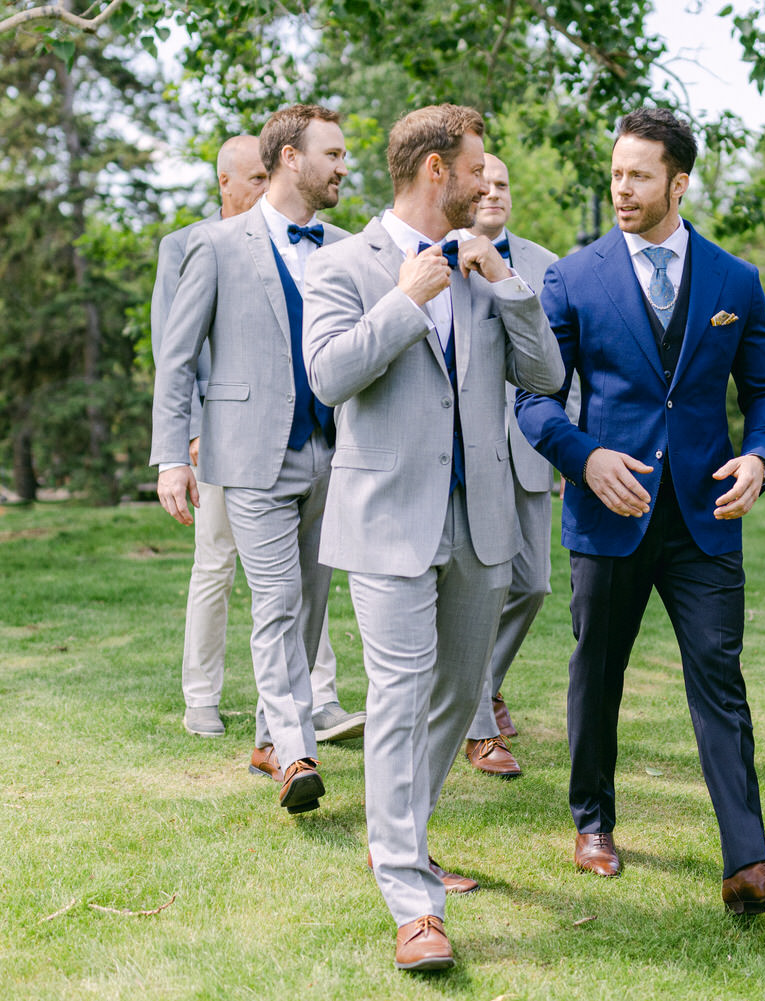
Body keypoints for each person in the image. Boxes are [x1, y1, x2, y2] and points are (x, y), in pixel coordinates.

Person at [515, 107, 765, 916]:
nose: (622, 188)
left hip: (706, 516)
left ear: (679, 182)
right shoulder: (572, 278)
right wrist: (586, 456)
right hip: (611, 512)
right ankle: (593, 821)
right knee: (597, 673)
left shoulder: (733, 280)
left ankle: (748, 863)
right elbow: (535, 400)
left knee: (721, 678)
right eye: (615, 173)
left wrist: (760, 454)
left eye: (639, 175)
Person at [303, 104, 563, 971]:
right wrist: (407, 304)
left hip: (480, 517)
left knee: (458, 696)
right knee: (400, 692)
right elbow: (331, 375)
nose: (491, 183)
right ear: (434, 173)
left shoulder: (487, 267)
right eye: (478, 169)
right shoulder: (343, 264)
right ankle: (413, 902)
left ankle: (400, 838)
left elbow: (546, 375)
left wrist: (509, 286)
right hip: (386, 518)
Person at [151, 105, 355, 814]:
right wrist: (170, 456)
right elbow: (176, 361)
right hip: (247, 454)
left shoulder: (345, 245)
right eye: (332, 153)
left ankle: (270, 736)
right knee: (275, 601)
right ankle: (297, 750)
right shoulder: (216, 245)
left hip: (331, 455)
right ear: (291, 159)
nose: (343, 166)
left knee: (309, 604)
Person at [459, 153, 559, 779]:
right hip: (465, 450)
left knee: (531, 584)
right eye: (484, 183)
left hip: (529, 448)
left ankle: (485, 682)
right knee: (477, 590)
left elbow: (562, 360)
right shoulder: (435, 255)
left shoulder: (549, 265)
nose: (494, 192)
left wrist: (571, 443)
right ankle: (477, 725)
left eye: (504, 185)